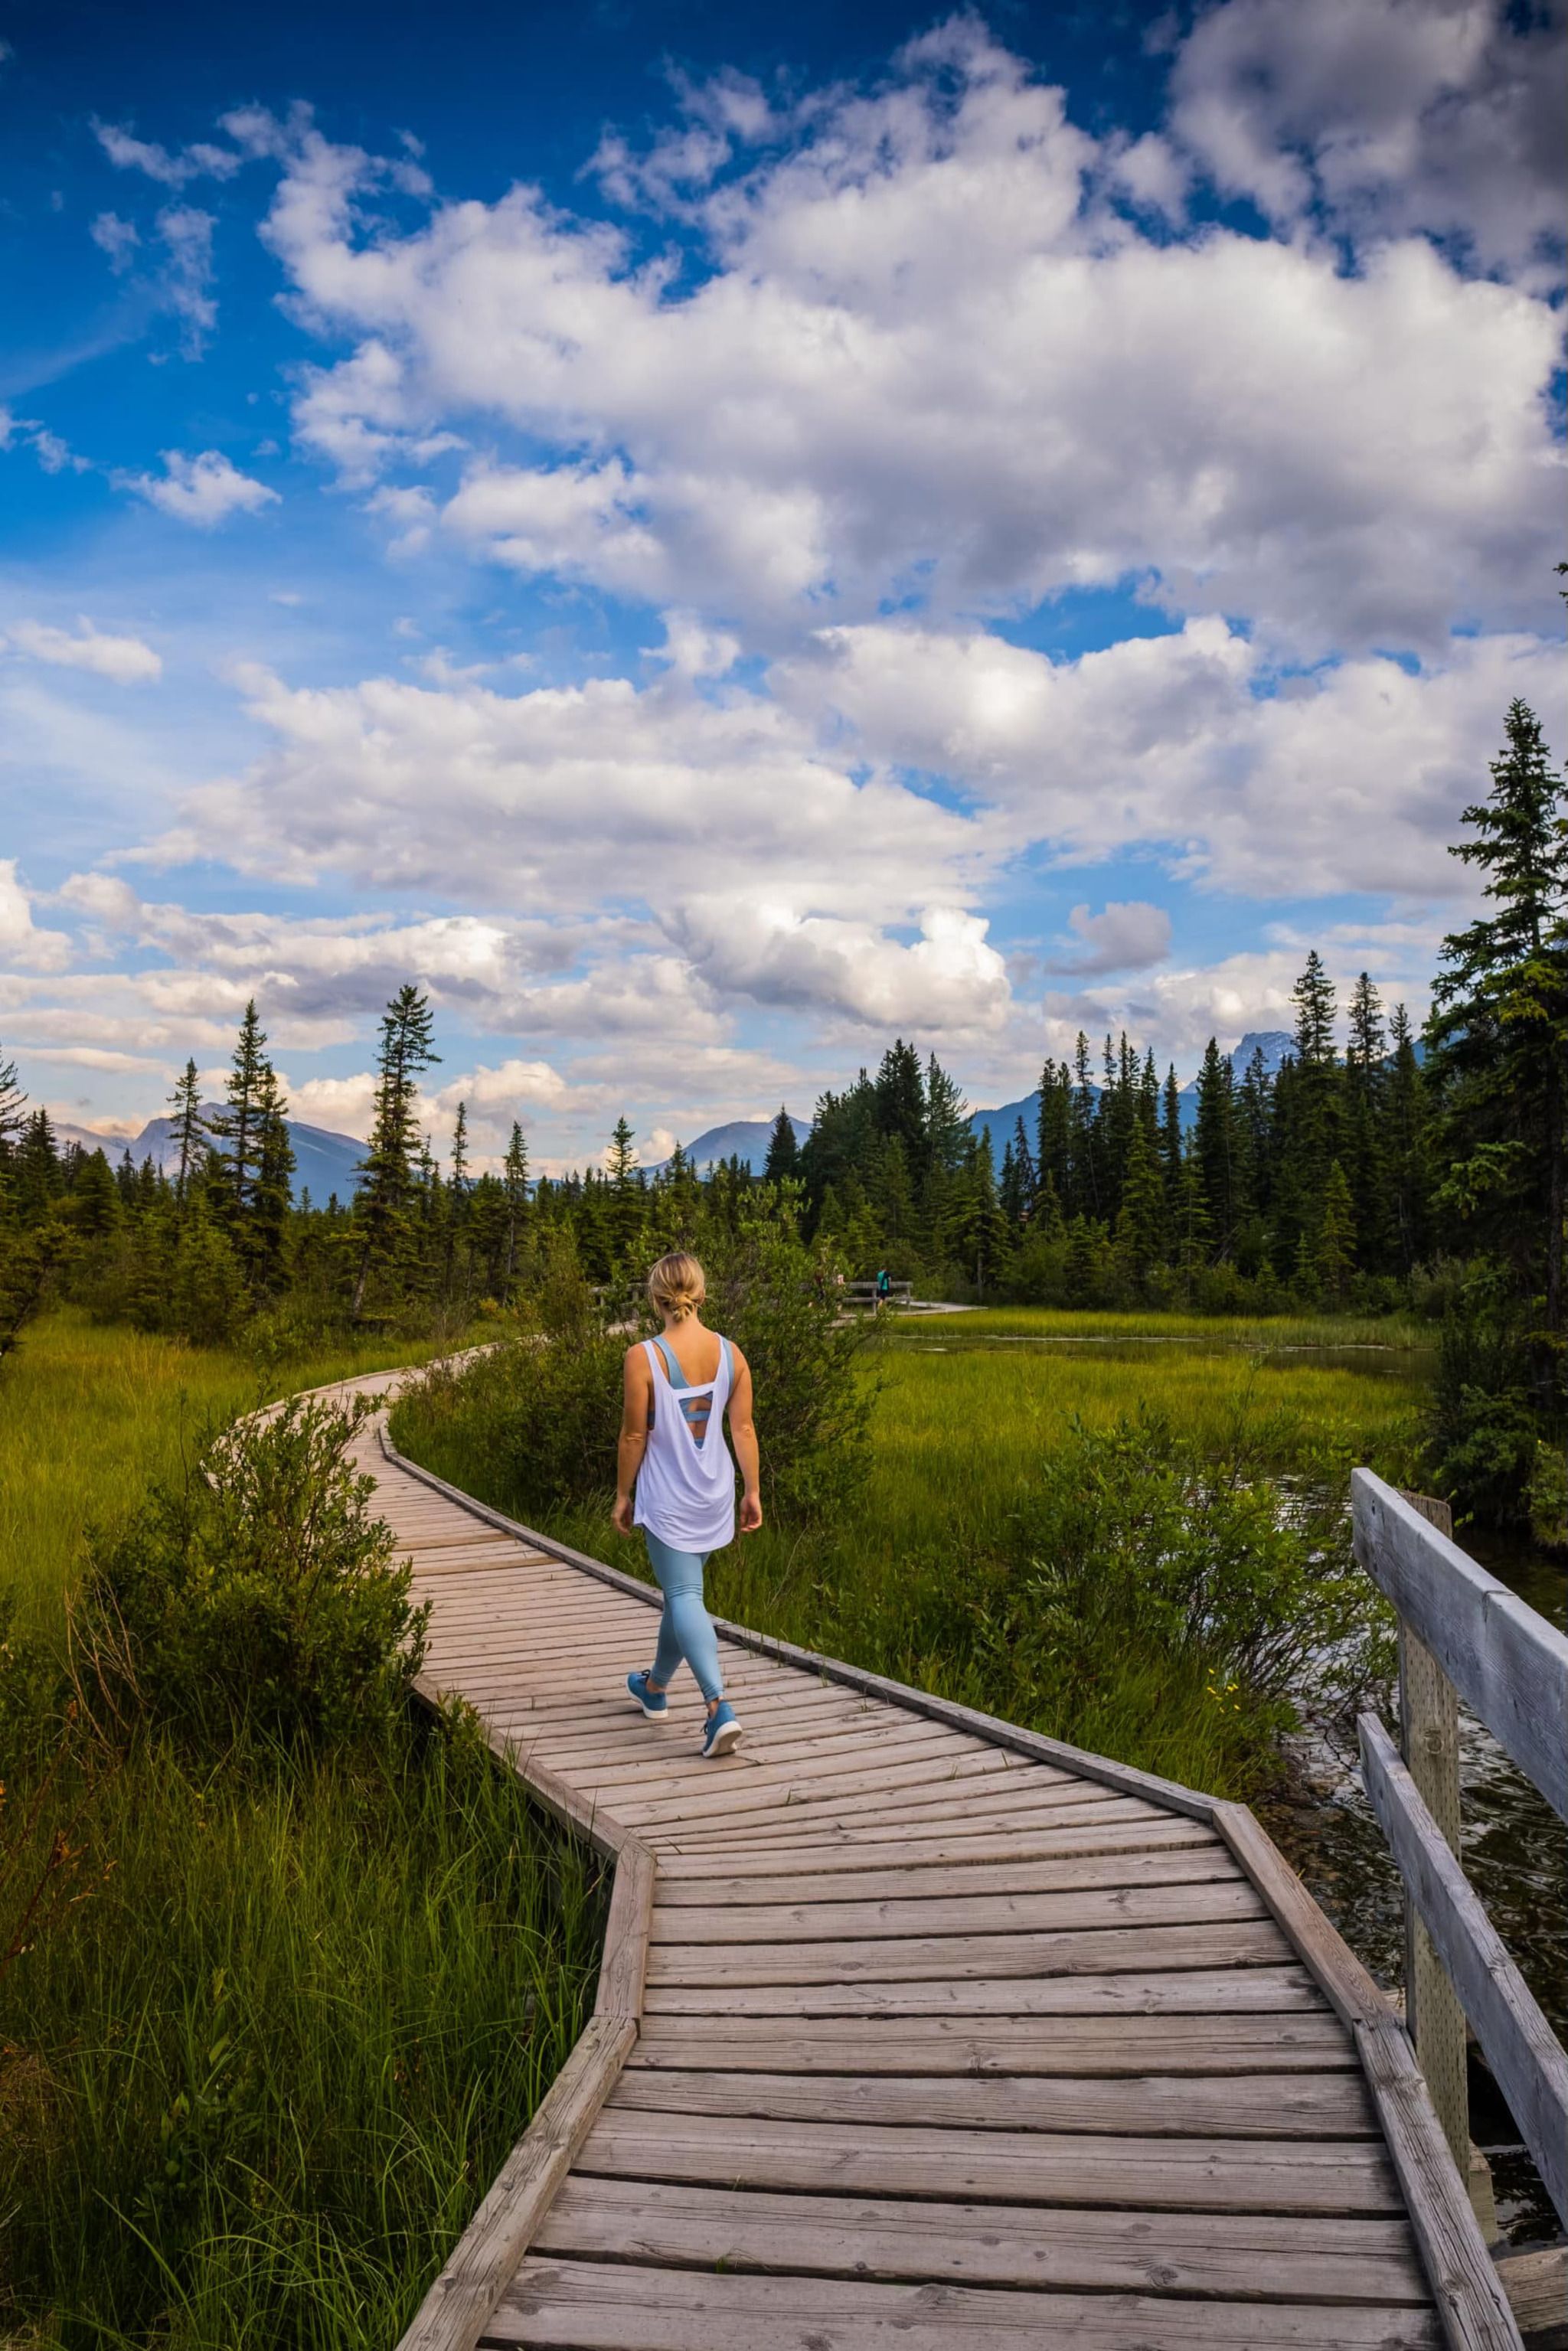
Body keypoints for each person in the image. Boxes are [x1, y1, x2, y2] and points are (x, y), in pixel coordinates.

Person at [612, 1250, 762, 1758]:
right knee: (684, 1597)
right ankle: (654, 1688)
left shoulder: (642, 1357)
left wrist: (623, 1494)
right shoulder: (731, 1354)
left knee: (683, 1593)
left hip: (669, 1498)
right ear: (701, 1294)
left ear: (655, 1299)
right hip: (714, 1492)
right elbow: (743, 1428)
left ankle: (718, 1706)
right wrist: (752, 1490)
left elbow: (634, 1435)